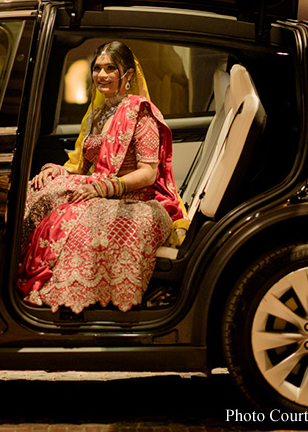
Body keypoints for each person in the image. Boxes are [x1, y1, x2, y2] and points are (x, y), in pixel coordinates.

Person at [18, 41, 185, 313]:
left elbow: (148, 173)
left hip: (133, 197)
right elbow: (84, 167)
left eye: (110, 68)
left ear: (128, 75)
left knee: (83, 229)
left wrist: (105, 188)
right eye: (97, 68)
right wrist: (57, 171)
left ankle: (77, 304)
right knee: (39, 192)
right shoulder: (96, 113)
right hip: (96, 186)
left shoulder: (140, 113)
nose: (101, 75)